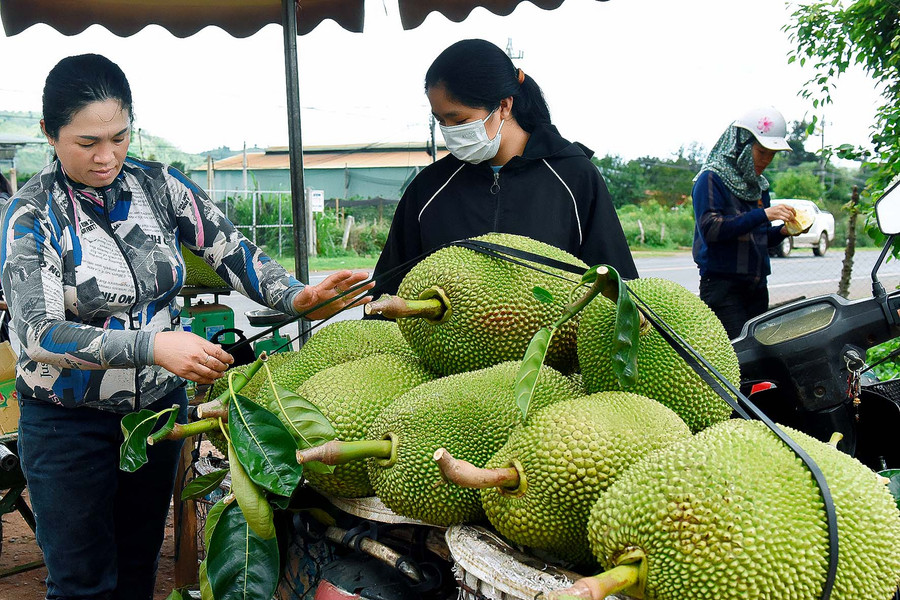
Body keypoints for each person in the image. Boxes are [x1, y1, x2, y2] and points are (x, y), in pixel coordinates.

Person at [0, 54, 373, 600]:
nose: (107, 157)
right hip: (66, 424)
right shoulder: (32, 215)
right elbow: (39, 333)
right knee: (81, 580)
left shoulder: (160, 188)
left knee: (137, 564)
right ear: (48, 135)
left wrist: (301, 296)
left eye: (120, 137)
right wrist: (153, 346)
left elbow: (235, 254)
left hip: (154, 418)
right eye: (87, 143)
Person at [371, 38, 637, 296]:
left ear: (504, 105)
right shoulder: (429, 188)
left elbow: (617, 287)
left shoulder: (574, 177)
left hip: (554, 341)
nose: (449, 132)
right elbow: (388, 293)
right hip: (444, 342)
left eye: (459, 119)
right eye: (440, 120)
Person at [691, 106, 798, 339]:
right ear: (741, 146)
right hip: (723, 289)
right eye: (761, 152)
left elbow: (760, 238)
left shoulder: (759, 187)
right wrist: (764, 215)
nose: (767, 160)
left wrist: (784, 231)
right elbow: (712, 228)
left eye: (772, 154)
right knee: (737, 358)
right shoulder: (710, 178)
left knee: (759, 356)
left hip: (757, 288)